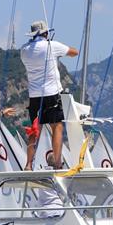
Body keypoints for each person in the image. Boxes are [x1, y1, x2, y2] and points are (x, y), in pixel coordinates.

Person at [19, 20, 79, 170]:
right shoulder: (51, 46)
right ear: (45, 33)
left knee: (34, 129)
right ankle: (58, 163)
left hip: (34, 95)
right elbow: (74, 52)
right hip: (51, 93)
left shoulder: (24, 50)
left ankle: (28, 164)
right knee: (57, 127)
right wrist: (53, 45)